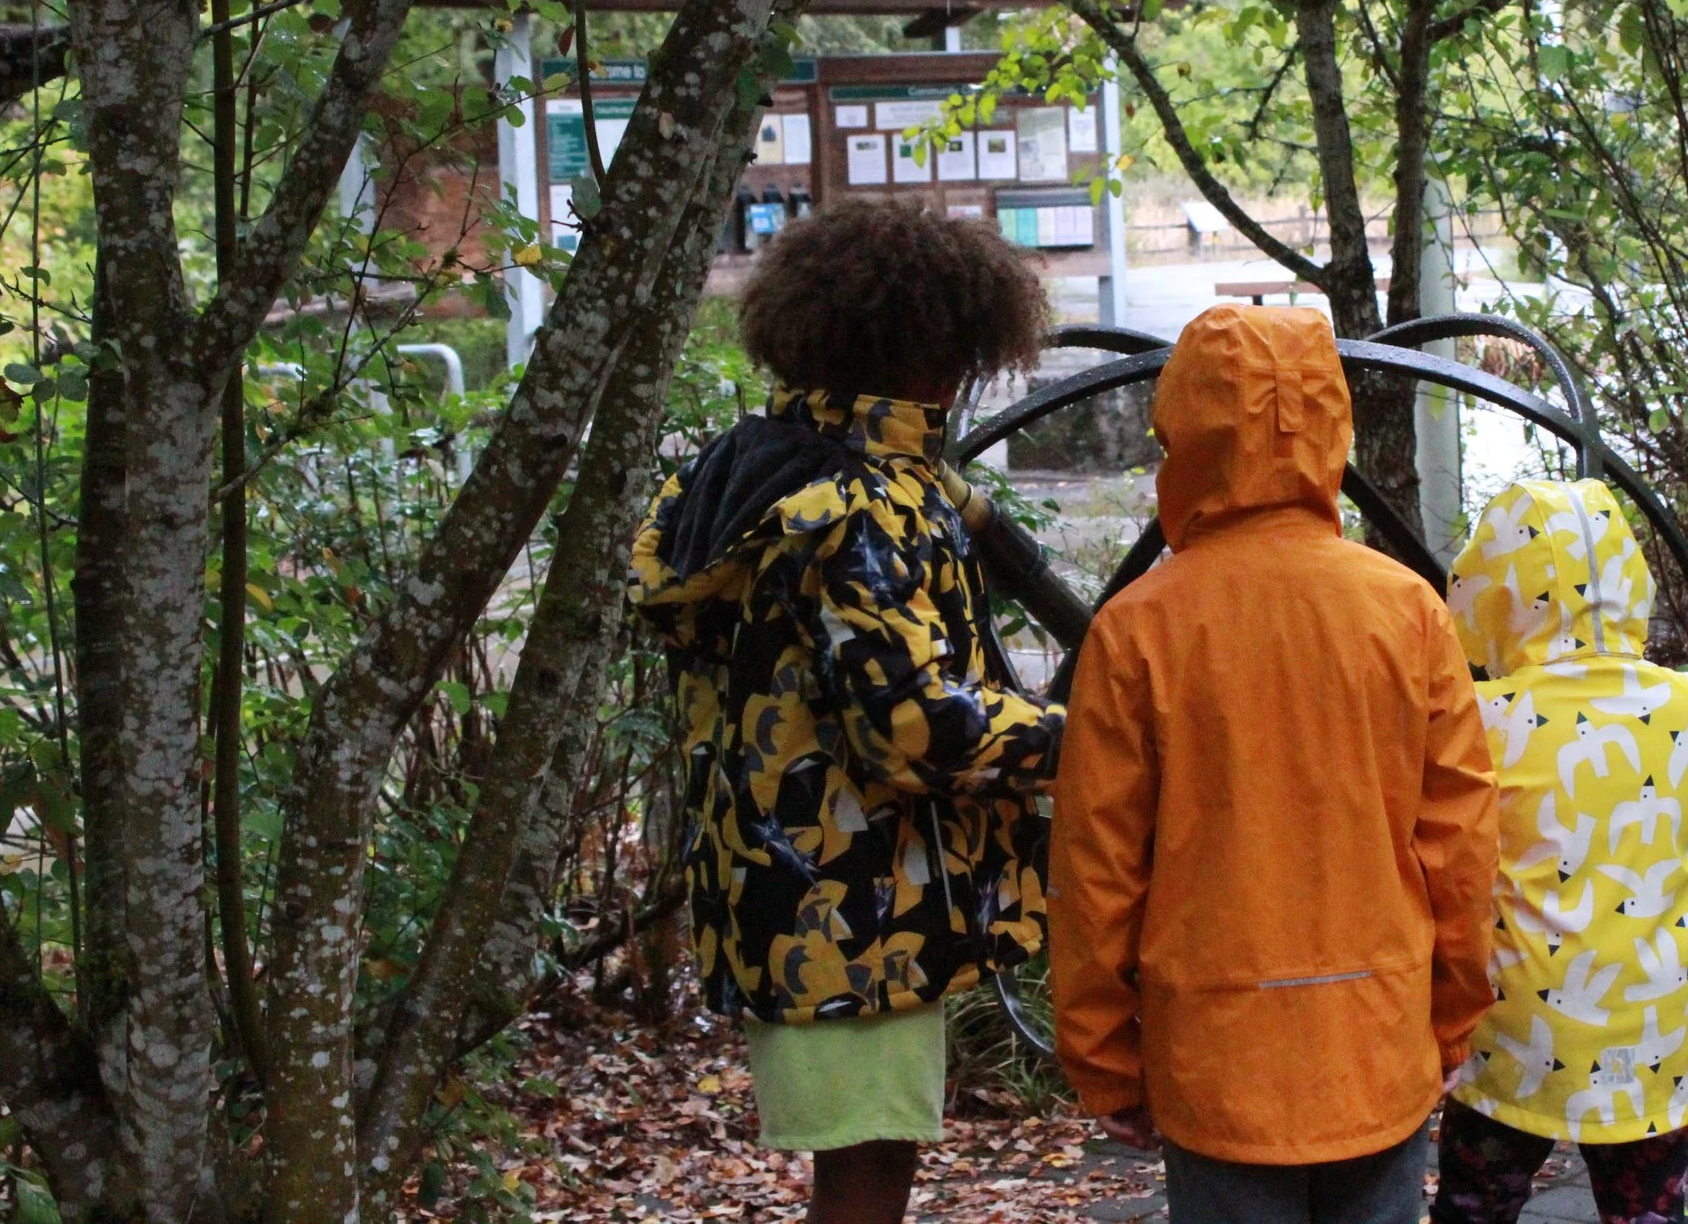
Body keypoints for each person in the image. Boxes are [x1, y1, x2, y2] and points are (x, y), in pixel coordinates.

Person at [626, 200, 1063, 1224]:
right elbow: (914, 726)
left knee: (861, 1163)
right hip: (862, 905)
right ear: (936, 354)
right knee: (866, 1173)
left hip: (781, 888)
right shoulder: (860, 506)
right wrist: (1078, 736)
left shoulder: (746, 467)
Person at [1049, 303, 1501, 1224]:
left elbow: (1095, 867)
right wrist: (1453, 1013)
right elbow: (1459, 836)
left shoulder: (1139, 628)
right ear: (1331, 424)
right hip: (1373, 1036)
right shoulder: (1406, 612)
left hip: (1218, 1055)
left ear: (1186, 432)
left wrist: (1103, 1055)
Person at [1431, 478, 1688, 1224]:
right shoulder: (1687, 703)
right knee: (1649, 1211)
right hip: (1653, 1025)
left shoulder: (1488, 718)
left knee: (1476, 1204)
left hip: (1520, 1029)